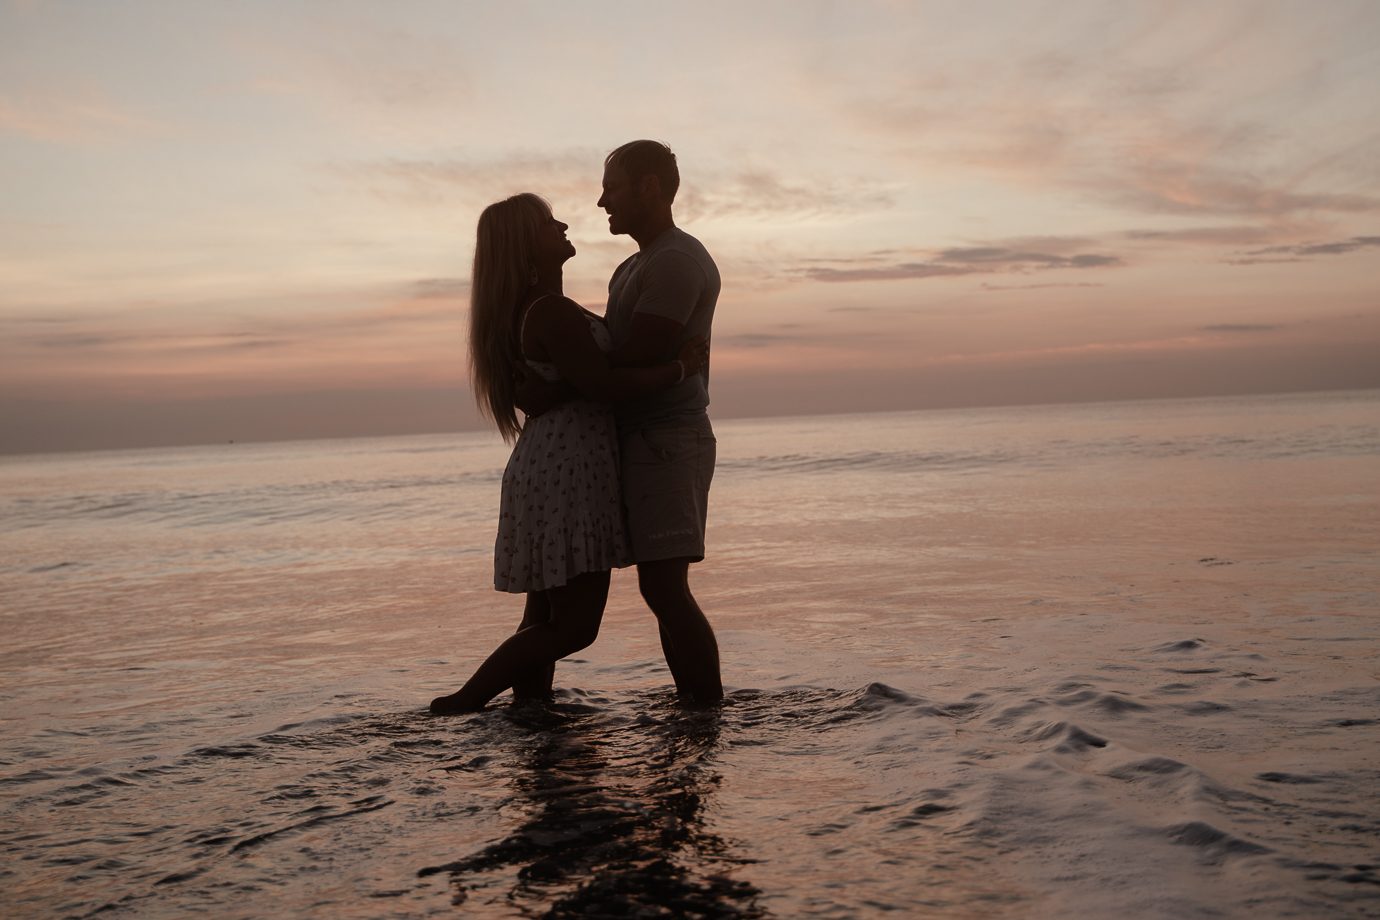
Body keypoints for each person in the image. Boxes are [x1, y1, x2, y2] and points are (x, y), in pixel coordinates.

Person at [430, 193, 707, 714]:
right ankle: (463, 702)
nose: (560, 224)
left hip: (555, 464)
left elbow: (585, 376)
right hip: (568, 469)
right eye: (544, 223)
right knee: (575, 627)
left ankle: (530, 715)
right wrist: (679, 370)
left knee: (544, 615)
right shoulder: (551, 311)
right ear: (523, 249)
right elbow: (603, 384)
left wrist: (564, 389)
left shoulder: (550, 310)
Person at [520, 140, 724, 703]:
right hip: (634, 439)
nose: (601, 199)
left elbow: (636, 353)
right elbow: (611, 358)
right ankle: (693, 712)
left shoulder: (676, 261)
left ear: (649, 187)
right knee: (656, 590)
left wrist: (555, 387)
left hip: (666, 438)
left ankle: (707, 714)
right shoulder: (635, 265)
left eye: (612, 186)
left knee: (665, 588)